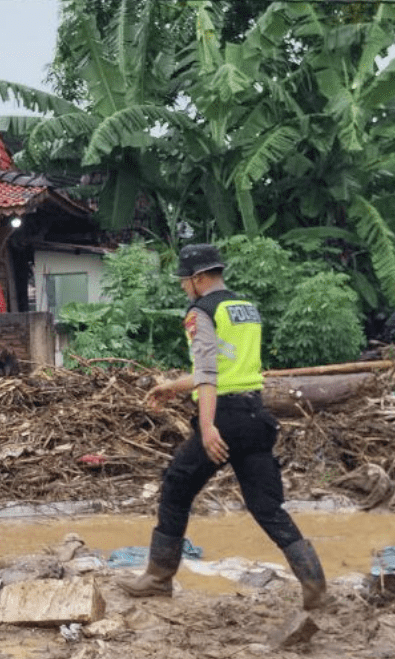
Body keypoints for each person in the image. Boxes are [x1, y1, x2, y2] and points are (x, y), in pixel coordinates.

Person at [121, 244, 327, 610]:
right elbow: (231, 370)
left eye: (185, 281)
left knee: (176, 486)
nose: (185, 287)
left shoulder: (201, 311)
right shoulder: (245, 309)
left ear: (199, 279)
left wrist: (208, 427)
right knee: (267, 506)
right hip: (255, 415)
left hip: (223, 417)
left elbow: (210, 374)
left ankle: (158, 577)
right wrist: (173, 386)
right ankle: (315, 585)